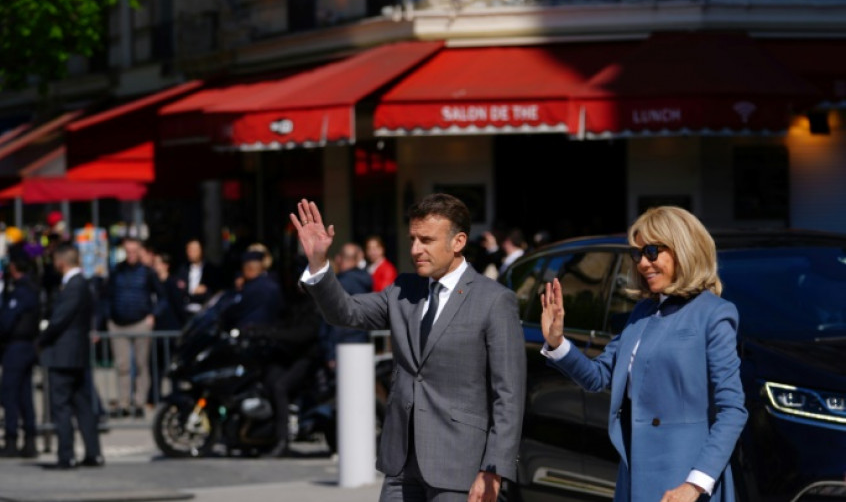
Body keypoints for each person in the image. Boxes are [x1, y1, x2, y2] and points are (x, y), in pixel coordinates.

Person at [291, 194, 526, 502]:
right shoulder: (403, 289)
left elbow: (508, 394)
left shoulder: (494, 300)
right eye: (413, 239)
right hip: (401, 464)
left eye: (426, 240)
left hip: (460, 468)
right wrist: (319, 263)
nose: (415, 249)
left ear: (458, 242)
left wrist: (494, 469)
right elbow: (345, 312)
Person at [539, 205, 748, 502]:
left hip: (686, 480)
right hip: (635, 476)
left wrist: (696, 483)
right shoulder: (642, 312)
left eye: (652, 251)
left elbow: (732, 410)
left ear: (683, 249)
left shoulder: (714, 314)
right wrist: (557, 342)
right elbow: (598, 377)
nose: (642, 263)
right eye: (637, 254)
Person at [36, 242, 104, 470]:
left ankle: (67, 455)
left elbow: (59, 320)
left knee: (63, 407)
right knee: (83, 406)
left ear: (61, 262)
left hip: (65, 355)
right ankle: (92, 452)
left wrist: (41, 340)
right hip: (77, 355)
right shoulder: (81, 284)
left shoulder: (75, 285)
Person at [0, 257, 41, 458]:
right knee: (25, 395)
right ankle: (29, 439)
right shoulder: (30, 289)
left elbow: (6, 320)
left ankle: (12, 439)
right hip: (25, 347)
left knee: (11, 395)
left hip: (16, 347)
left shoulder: (21, 291)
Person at [104, 236, 166, 418]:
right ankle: (124, 403)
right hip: (118, 324)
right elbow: (106, 296)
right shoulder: (116, 271)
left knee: (141, 365)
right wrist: (108, 317)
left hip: (140, 322)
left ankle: (139, 402)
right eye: (127, 251)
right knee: (122, 366)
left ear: (139, 251)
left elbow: (162, 297)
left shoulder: (147, 272)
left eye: (134, 251)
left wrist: (153, 315)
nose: (130, 255)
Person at [318, 242, 373, 369]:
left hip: (342, 345)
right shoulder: (364, 280)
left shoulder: (341, 284)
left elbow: (335, 319)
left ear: (339, 258)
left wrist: (330, 353)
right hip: (361, 341)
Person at [148, 252, 188, 407]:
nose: (155, 266)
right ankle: (154, 396)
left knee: (173, 365)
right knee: (156, 366)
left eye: (157, 263)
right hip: (158, 330)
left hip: (172, 329)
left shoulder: (173, 283)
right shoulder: (154, 282)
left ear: (166, 265)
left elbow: (179, 307)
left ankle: (176, 395)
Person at [175, 238, 223, 317]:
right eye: (189, 250)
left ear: (201, 250)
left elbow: (216, 291)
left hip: (204, 310)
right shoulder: (182, 270)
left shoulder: (210, 270)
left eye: (194, 250)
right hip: (185, 311)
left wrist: (206, 290)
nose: (190, 253)